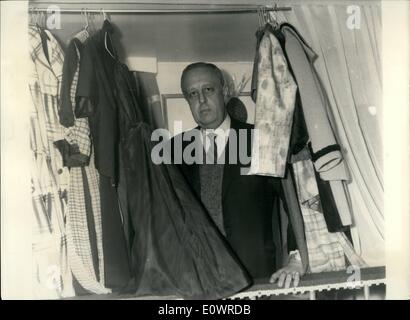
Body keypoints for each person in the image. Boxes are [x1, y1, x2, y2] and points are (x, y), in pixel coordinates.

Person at [169, 62, 307, 289]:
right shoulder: (175, 150)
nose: (201, 100)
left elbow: (294, 202)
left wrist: (296, 258)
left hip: (255, 276)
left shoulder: (260, 140)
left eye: (208, 90)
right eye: (193, 94)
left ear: (224, 92)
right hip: (199, 280)